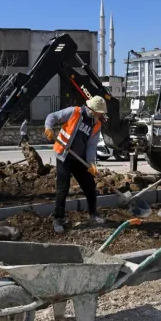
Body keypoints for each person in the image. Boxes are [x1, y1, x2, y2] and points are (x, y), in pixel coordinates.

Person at [44, 95, 107, 233]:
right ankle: (58, 218)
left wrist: (91, 164)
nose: (101, 115)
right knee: (63, 188)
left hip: (80, 159)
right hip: (64, 156)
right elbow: (52, 116)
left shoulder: (96, 124)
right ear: (92, 109)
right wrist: (48, 128)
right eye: (100, 112)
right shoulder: (75, 112)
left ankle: (93, 213)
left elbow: (91, 146)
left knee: (90, 185)